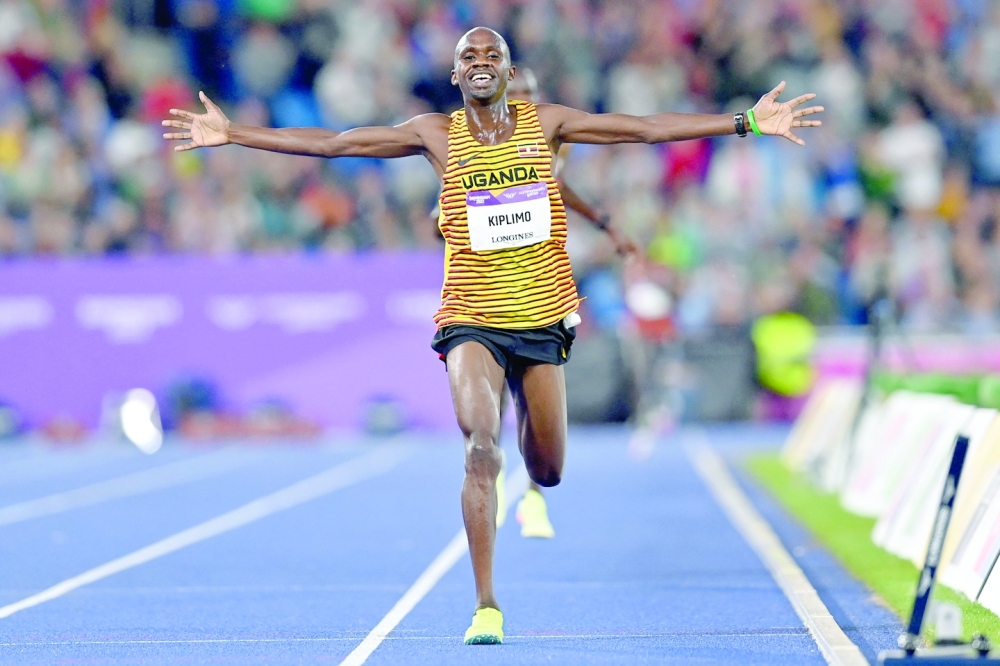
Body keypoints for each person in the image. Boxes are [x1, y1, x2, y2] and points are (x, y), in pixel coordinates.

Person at [163, 26, 823, 645]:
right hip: (471, 319)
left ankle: (529, 462)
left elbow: (644, 130)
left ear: (509, 73)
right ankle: (486, 604)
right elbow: (337, 143)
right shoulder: (435, 134)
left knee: (549, 469)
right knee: (481, 446)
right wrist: (234, 135)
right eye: (469, 57)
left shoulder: (550, 125)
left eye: (492, 57)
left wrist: (745, 121)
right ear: (455, 74)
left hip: (539, 320)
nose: (480, 64)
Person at [496, 65, 640, 540]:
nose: (522, 101)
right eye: (513, 92)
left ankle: (533, 495)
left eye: (529, 93)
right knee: (495, 390)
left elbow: (556, 184)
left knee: (535, 396)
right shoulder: (478, 138)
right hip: (490, 282)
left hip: (540, 280)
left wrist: (604, 221)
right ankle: (492, 474)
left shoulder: (551, 133)